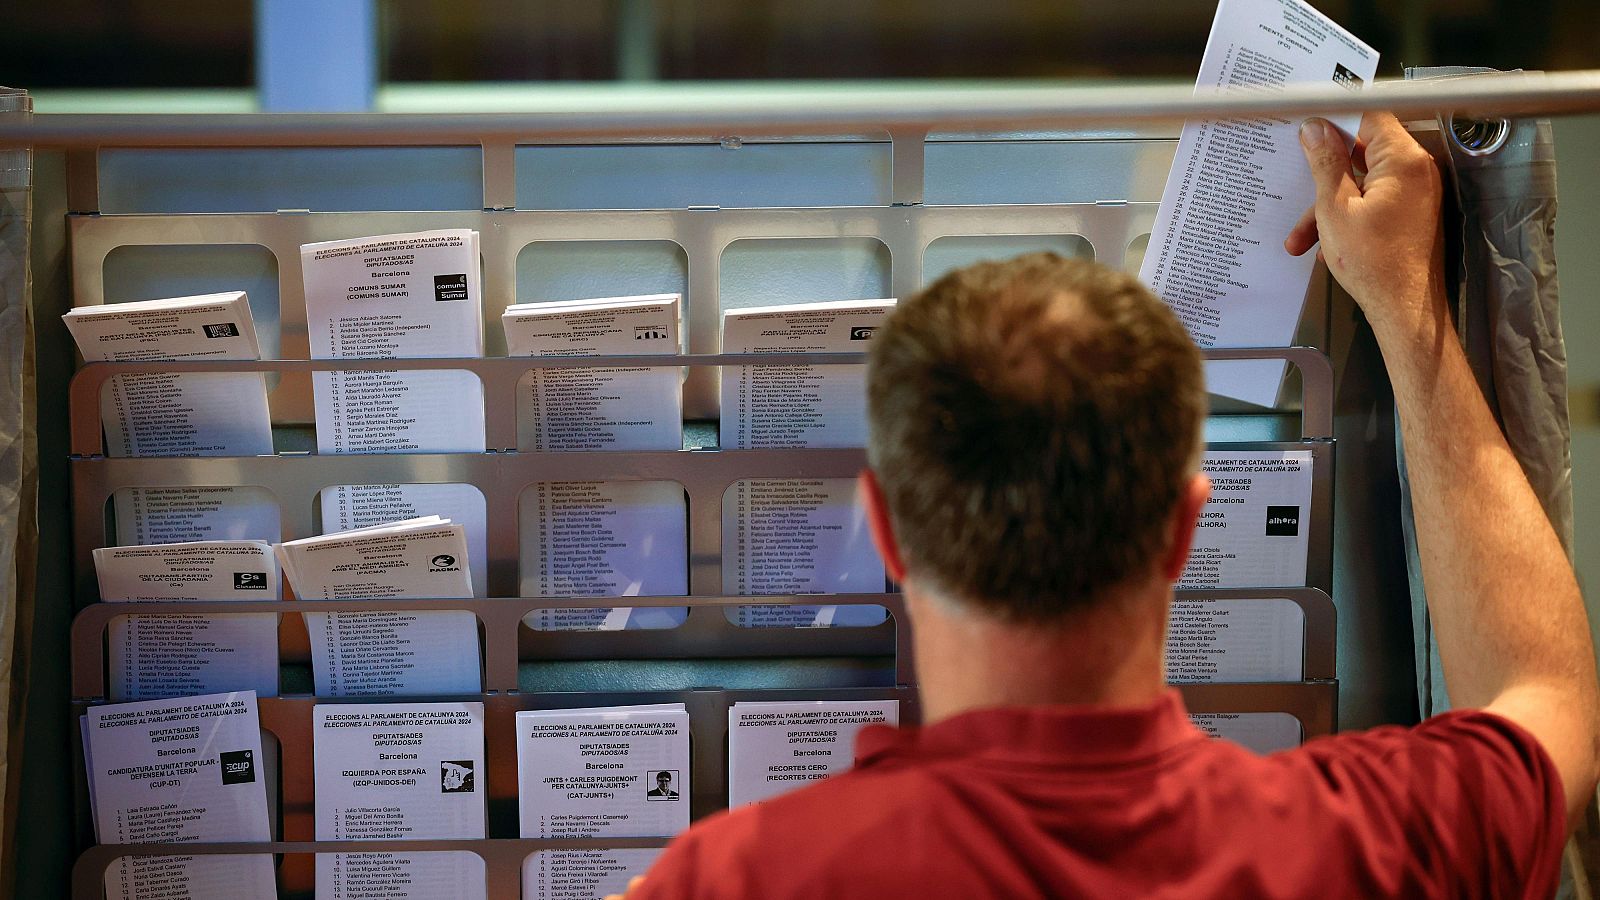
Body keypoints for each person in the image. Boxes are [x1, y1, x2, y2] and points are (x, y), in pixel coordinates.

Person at [615, 112, 1600, 899]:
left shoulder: (735, 881)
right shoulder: (1370, 844)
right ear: (1183, 529)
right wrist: (1399, 297)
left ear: (886, 532)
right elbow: (1547, 698)